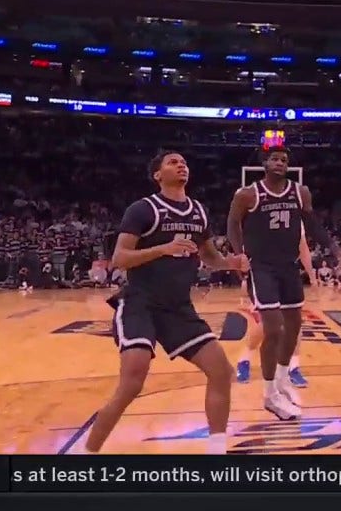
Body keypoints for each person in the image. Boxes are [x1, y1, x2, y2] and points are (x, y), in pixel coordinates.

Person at [84, 151, 242, 454]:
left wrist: (232, 263)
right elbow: (119, 258)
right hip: (140, 302)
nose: (181, 165)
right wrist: (163, 249)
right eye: (172, 162)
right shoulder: (143, 209)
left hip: (178, 307)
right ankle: (86, 454)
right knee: (132, 382)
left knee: (221, 371)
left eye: (183, 162)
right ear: (157, 175)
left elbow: (209, 257)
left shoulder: (198, 212)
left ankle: (217, 451)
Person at [227, 147, 341, 419]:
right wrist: (239, 255)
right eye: (274, 159)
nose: (280, 163)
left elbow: (313, 225)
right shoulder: (248, 194)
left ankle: (282, 381)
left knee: (294, 325)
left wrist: (335, 250)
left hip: (288, 266)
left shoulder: (299, 192)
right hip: (262, 267)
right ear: (264, 163)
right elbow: (232, 224)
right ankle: (270, 394)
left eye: (284, 160)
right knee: (272, 328)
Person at [236, 232, 314, 386]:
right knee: (268, 323)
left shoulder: (295, 214)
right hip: (263, 272)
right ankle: (244, 360)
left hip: (287, 271)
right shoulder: (257, 214)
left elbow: (302, 246)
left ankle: (293, 368)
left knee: (294, 321)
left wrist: (312, 275)